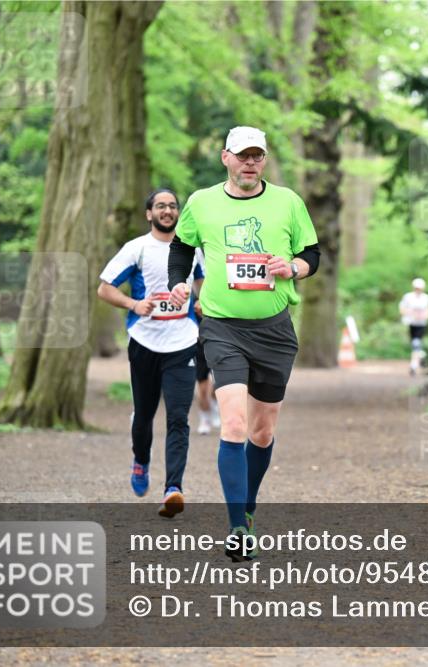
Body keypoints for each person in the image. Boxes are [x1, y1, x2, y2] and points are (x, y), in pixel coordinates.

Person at [167, 126, 320, 561]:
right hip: (221, 326)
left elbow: (313, 254)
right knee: (233, 424)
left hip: (273, 329)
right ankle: (237, 528)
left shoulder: (288, 202)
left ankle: (248, 506)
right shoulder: (201, 202)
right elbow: (182, 247)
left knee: (262, 430)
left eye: (257, 155)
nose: (250, 162)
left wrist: (293, 267)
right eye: (242, 155)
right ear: (225, 158)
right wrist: (179, 283)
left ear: (264, 160)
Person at [97, 188, 205, 518]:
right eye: (161, 206)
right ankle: (141, 460)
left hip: (183, 342)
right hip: (144, 342)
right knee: (144, 416)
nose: (167, 210)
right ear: (149, 214)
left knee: (178, 417)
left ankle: (174, 488)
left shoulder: (192, 249)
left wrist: (200, 302)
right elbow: (104, 288)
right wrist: (134, 304)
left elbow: (203, 289)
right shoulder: (136, 248)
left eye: (172, 206)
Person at [192, 297, 220, 435]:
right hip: (197, 341)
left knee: (219, 384)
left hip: (219, 339)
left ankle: (214, 406)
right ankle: (204, 419)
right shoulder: (189, 284)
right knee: (202, 387)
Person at [399, 277, 428, 376]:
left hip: (421, 323)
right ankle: (422, 356)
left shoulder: (426, 298)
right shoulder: (408, 297)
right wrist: (410, 314)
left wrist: (425, 316)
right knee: (415, 344)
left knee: (416, 343)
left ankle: (413, 365)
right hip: (411, 323)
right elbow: (402, 308)